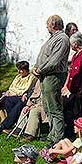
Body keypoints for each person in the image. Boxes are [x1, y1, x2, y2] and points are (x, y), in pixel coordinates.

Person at [33, 15, 70, 145]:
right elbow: (45, 56)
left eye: (48, 24)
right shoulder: (53, 38)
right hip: (46, 75)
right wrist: (36, 67)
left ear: (54, 25)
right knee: (48, 107)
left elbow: (54, 61)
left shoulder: (62, 39)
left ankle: (57, 137)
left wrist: (40, 69)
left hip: (53, 76)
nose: (46, 26)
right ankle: (52, 134)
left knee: (54, 107)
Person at [61, 32, 82, 136]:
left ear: (75, 44)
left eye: (71, 44)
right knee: (73, 111)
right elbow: (70, 71)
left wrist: (80, 90)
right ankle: (74, 131)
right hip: (74, 89)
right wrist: (66, 85)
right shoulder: (75, 56)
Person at [0, 61, 36, 134]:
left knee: (17, 102)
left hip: (22, 96)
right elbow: (11, 87)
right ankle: (8, 120)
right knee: (5, 100)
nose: (19, 72)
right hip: (12, 95)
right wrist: (9, 92)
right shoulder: (18, 77)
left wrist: (14, 93)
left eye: (21, 70)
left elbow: (25, 89)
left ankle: (4, 126)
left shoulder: (31, 77)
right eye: (18, 69)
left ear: (26, 69)